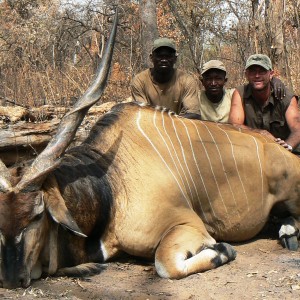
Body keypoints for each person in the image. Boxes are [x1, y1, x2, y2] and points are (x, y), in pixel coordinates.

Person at [228, 53, 300, 153]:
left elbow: (297, 129)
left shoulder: (286, 96)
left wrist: (288, 146)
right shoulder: (240, 93)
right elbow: (234, 125)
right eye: (252, 72)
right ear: (246, 74)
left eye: (262, 71)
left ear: (271, 74)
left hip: (286, 153)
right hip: (254, 151)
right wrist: (260, 133)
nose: (257, 76)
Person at [130, 37, 201, 119]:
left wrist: (168, 124)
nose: (164, 60)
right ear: (151, 58)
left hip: (178, 127)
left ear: (175, 59)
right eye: (159, 56)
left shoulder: (187, 80)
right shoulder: (140, 81)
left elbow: (194, 113)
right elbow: (142, 114)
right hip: (149, 126)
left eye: (168, 56)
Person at [199, 59, 287, 123]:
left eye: (218, 79)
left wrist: (274, 81)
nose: (213, 83)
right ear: (202, 81)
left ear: (225, 80)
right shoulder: (196, 98)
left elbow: (255, 85)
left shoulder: (235, 94)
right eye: (208, 79)